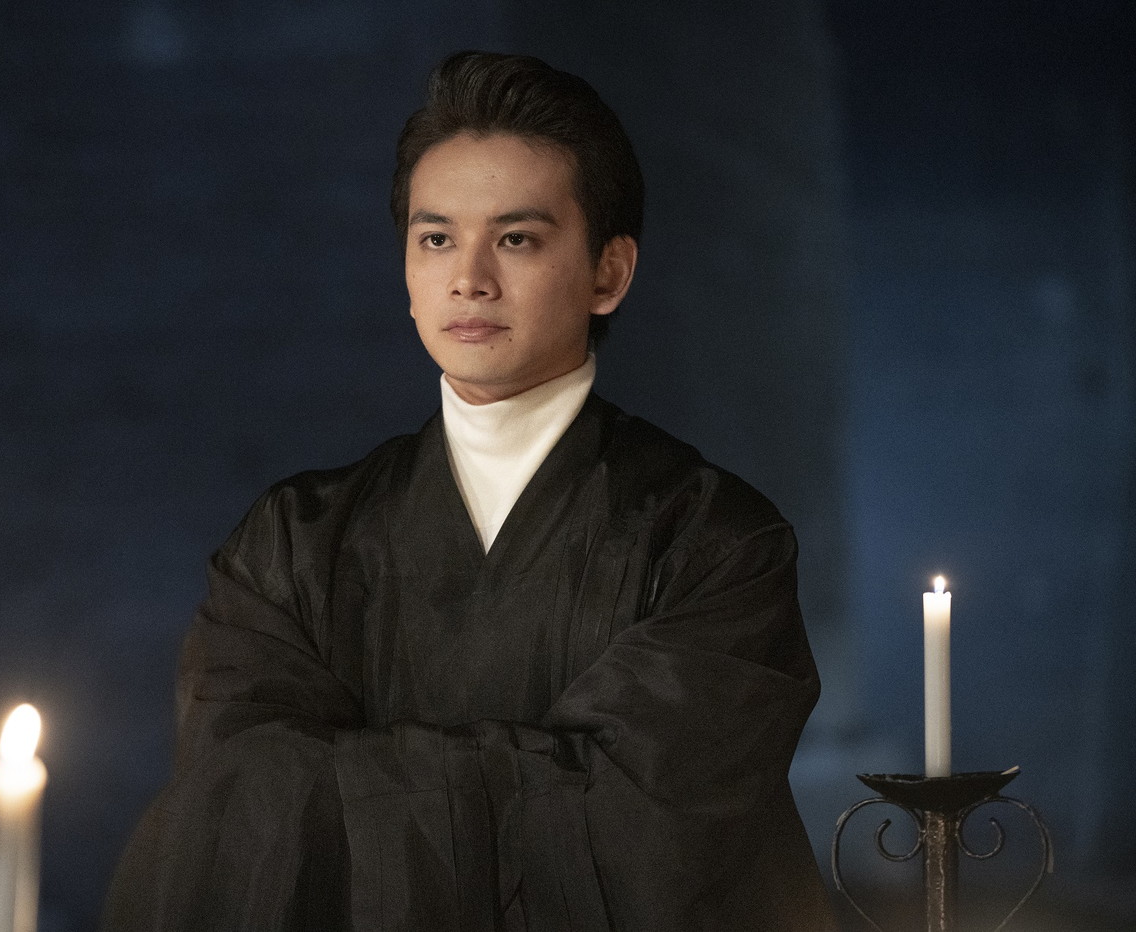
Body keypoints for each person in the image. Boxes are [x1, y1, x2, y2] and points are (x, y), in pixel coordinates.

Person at [104, 50, 833, 931]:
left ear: (609, 272)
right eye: (437, 238)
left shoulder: (715, 542)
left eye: (516, 239)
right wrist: (539, 777)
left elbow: (649, 836)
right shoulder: (290, 542)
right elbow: (233, 810)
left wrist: (342, 782)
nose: (469, 278)